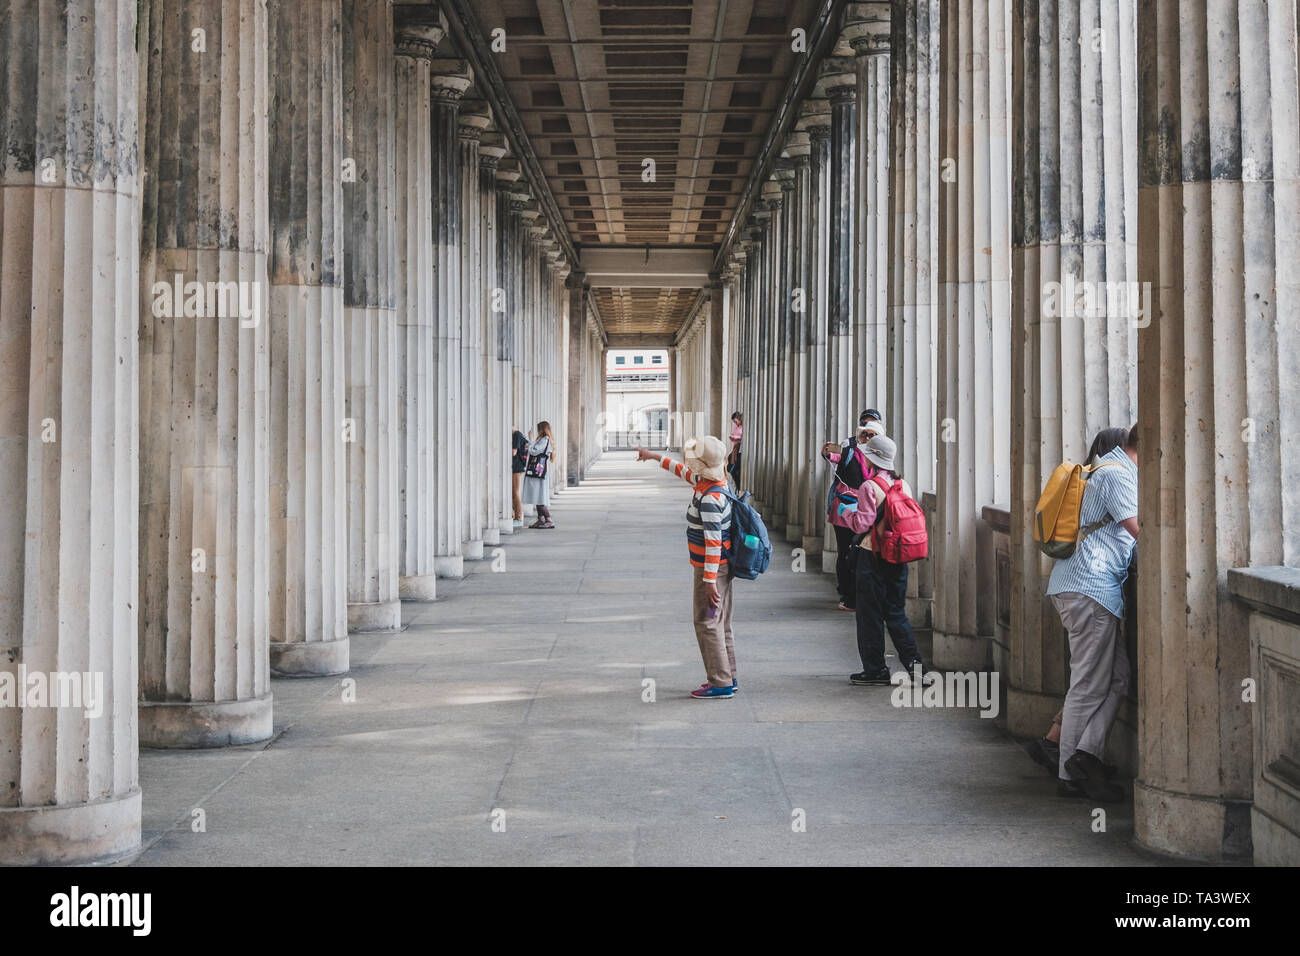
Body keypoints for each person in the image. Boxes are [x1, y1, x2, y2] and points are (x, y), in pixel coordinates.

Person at [1026, 426, 1130, 778]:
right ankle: (1070, 775)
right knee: (1088, 685)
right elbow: (1145, 528)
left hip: (1081, 586)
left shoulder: (1105, 469)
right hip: (1091, 589)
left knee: (1118, 679)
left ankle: (1087, 755)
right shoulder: (1117, 475)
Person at [636, 436, 738, 700]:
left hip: (712, 567)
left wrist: (709, 580)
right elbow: (682, 471)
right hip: (720, 567)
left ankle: (720, 682)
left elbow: (714, 543)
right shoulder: (714, 484)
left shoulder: (710, 499)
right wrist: (654, 456)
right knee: (721, 622)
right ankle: (729, 675)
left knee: (706, 622)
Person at [833, 433, 927, 685]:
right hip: (898, 555)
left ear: (870, 458)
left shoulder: (868, 487)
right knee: (896, 613)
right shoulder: (903, 484)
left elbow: (862, 523)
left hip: (872, 555)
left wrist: (847, 513)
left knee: (869, 614)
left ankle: (875, 669)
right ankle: (917, 670)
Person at [821, 413, 885, 611]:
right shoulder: (849, 448)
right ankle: (847, 594)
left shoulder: (881, 456)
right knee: (845, 551)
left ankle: (859, 593)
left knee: (862, 552)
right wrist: (826, 454)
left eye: (872, 434)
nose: (867, 438)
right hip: (844, 508)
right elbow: (835, 457)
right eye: (864, 432)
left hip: (868, 509)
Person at [521, 421, 557, 529]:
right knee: (537, 497)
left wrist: (530, 439)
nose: (537, 431)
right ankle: (541, 519)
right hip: (538, 472)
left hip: (538, 473)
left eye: (539, 429)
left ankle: (549, 520)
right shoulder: (543, 439)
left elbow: (533, 451)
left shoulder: (544, 439)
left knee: (540, 498)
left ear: (542, 429)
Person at [510, 427, 529, 527]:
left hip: (516, 466)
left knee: (515, 492)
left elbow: (514, 452)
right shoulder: (519, 434)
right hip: (518, 466)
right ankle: (515, 516)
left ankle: (518, 517)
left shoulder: (516, 435)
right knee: (514, 492)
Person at [726, 412, 743, 483]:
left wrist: (737, 439)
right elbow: (734, 435)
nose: (735, 423)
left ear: (739, 419)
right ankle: (737, 485)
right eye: (734, 422)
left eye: (736, 421)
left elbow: (743, 438)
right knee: (729, 467)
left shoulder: (743, 427)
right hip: (735, 448)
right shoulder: (736, 427)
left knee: (735, 468)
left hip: (740, 448)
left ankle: (739, 486)